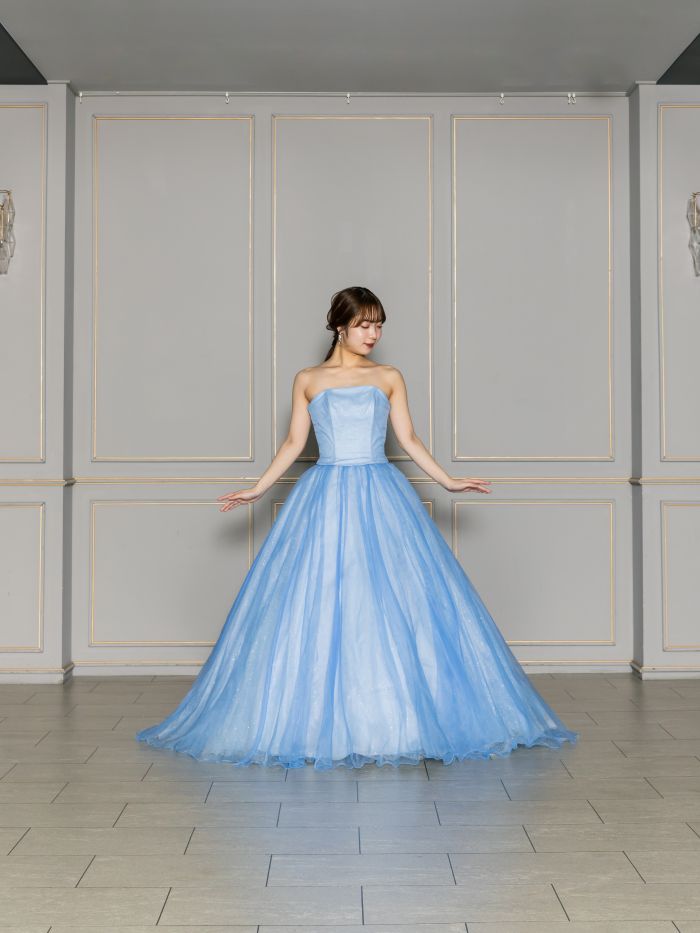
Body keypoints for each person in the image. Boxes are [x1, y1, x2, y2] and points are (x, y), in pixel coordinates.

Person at [135, 286, 578, 769]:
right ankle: (315, 724)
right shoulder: (308, 379)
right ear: (339, 326)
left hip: (381, 493)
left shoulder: (388, 377)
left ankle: (396, 721)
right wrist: (258, 489)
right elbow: (293, 443)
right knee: (321, 600)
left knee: (392, 601)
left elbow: (408, 438)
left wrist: (448, 480)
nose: (373, 334)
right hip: (324, 494)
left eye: (379, 325)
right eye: (364, 324)